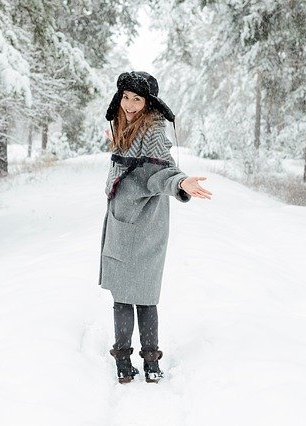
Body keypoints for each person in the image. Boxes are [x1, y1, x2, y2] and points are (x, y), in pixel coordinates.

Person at [99, 71, 212, 384]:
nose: (131, 104)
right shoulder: (122, 125)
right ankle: (123, 361)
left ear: (148, 102)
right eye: (126, 97)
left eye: (138, 99)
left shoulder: (153, 130)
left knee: (146, 296)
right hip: (122, 221)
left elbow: (162, 172)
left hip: (147, 223)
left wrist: (181, 182)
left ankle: (150, 360)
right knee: (122, 296)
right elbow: (126, 161)